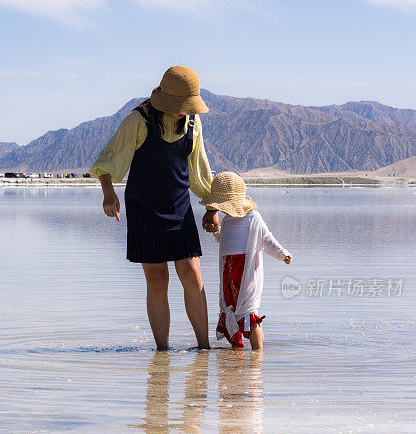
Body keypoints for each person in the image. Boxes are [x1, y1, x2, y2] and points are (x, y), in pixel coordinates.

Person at [90, 66, 218, 350]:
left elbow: (199, 170)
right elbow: (108, 160)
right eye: (180, 106)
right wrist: (108, 194)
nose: (184, 111)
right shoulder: (139, 119)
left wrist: (211, 207)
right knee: (158, 280)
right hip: (144, 209)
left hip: (179, 207)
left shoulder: (193, 123)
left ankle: (204, 347)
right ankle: (162, 352)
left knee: (192, 273)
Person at [201, 171, 292, 350]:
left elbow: (266, 239)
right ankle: (236, 353)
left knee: (247, 311)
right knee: (231, 309)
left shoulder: (253, 218)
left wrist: (282, 253)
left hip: (245, 272)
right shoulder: (227, 220)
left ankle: (258, 353)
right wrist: (216, 231)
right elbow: (223, 240)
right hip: (228, 270)